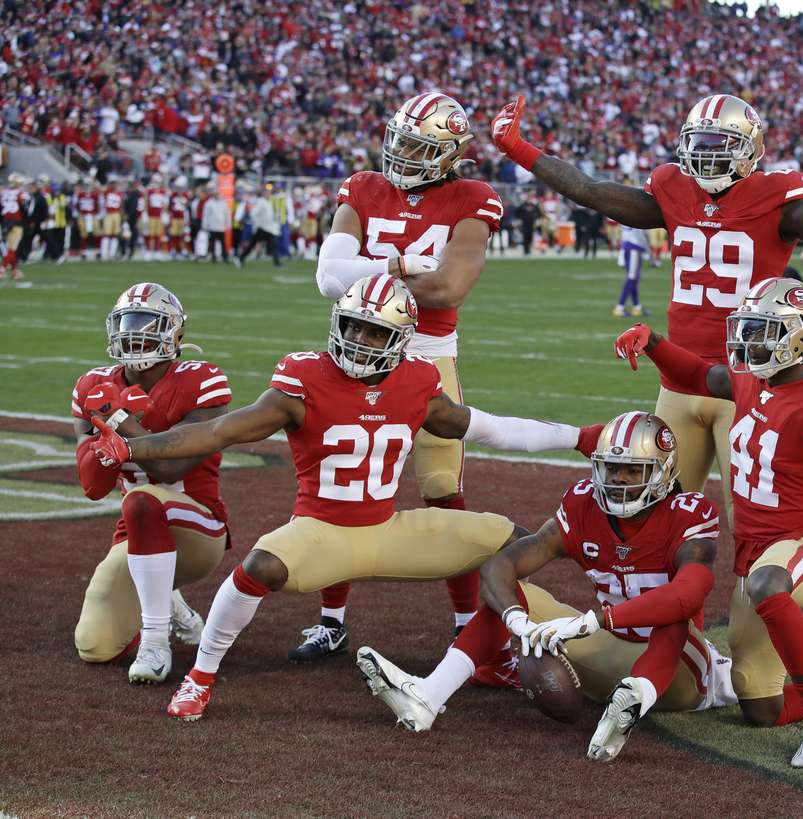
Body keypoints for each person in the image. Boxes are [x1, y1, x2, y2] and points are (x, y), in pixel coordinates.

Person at [85, 274, 603, 721]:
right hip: (322, 532)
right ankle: (200, 676)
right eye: (353, 325)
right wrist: (131, 446)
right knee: (260, 567)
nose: (359, 338)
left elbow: (491, 428)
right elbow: (219, 431)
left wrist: (578, 437)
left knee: (512, 544)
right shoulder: (304, 378)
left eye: (374, 331)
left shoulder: (417, 380)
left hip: (389, 529)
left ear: (400, 338)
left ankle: (490, 657)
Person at [491, 93, 803, 516]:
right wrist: (518, 148)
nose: (707, 155)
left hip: (748, 383)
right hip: (680, 379)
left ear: (751, 149)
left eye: (721, 144)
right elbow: (590, 191)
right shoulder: (673, 188)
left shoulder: (775, 197)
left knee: (752, 518)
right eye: (700, 142)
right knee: (658, 514)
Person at [613, 279, 803, 769]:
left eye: (761, 331)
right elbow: (698, 374)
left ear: (799, 336)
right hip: (754, 553)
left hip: (802, 546)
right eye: (747, 329)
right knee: (760, 706)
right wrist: (653, 343)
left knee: (766, 584)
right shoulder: (750, 381)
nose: (748, 341)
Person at [358, 412, 739, 763]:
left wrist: (594, 621)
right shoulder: (584, 505)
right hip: (611, 650)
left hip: (678, 676)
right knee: (516, 595)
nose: (619, 480)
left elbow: (688, 593)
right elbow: (501, 566)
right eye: (611, 468)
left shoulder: (689, 512)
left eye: (632, 470)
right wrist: (515, 619)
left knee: (671, 615)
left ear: (663, 472)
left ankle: (636, 696)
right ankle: (428, 696)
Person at [311, 92, 509, 675]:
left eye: (419, 146)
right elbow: (326, 276)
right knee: (340, 484)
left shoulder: (473, 196)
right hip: (355, 349)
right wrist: (399, 266)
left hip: (426, 355)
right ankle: (330, 621)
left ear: (449, 155)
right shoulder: (363, 186)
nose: (402, 154)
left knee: (442, 487)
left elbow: (449, 289)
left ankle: (466, 625)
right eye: (400, 140)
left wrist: (366, 277)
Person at [71, 283, 228, 683]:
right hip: (135, 532)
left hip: (198, 526)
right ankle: (168, 601)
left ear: (175, 333)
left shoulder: (202, 380)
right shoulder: (92, 385)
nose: (133, 334)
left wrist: (119, 422)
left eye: (146, 323)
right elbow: (93, 486)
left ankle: (156, 642)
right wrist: (105, 429)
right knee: (93, 645)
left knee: (142, 498)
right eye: (126, 323)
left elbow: (172, 469)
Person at [234, 189, 282, 267]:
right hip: (261, 228)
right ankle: (240, 258)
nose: (268, 195)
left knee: (273, 244)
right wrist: (258, 223)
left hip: (268, 228)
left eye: (269, 193)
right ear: (263, 194)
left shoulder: (268, 202)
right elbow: (253, 213)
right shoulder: (261, 202)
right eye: (267, 193)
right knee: (252, 244)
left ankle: (277, 262)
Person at [613, 224, 649, 317]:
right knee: (632, 278)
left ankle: (637, 307)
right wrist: (649, 252)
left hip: (628, 246)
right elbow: (640, 234)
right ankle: (620, 307)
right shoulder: (637, 216)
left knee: (634, 278)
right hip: (634, 247)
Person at [1, 173, 30, 279]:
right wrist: (27, 221)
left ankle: (14, 271)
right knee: (12, 248)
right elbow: (24, 209)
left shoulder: (3, 192)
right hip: (17, 222)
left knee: (11, 247)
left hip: (5, 222)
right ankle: (2, 268)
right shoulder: (21, 193)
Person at [201, 187, 231, 263]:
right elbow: (206, 215)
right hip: (212, 226)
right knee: (212, 243)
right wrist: (205, 225)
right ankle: (213, 257)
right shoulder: (209, 203)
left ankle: (225, 257)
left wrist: (228, 224)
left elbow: (227, 214)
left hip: (221, 227)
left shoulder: (223, 203)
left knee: (223, 243)